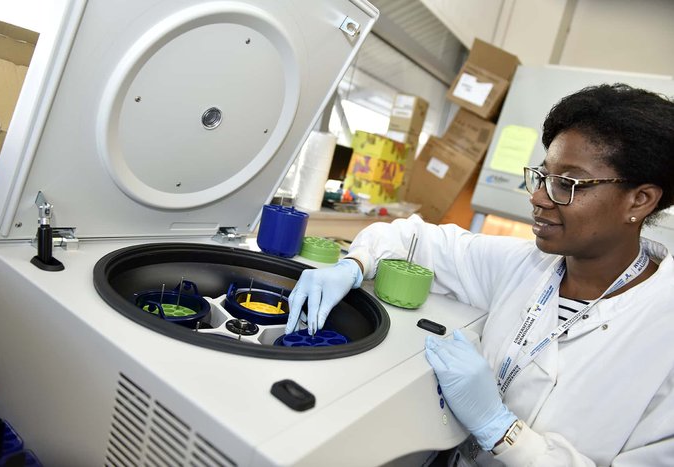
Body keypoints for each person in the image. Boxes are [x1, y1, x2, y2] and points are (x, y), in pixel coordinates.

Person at [285, 83, 674, 466]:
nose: (538, 197)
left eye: (566, 183)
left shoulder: (663, 331)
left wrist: (501, 430)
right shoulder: (525, 266)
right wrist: (353, 265)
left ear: (639, 200)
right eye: (542, 176)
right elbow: (411, 237)